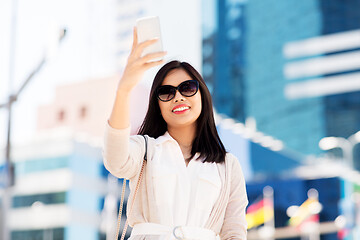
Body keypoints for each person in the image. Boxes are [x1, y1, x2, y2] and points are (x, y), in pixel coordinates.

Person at [103, 27, 248, 240]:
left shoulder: (228, 166)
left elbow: (234, 232)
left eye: (188, 87)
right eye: (166, 92)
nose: (178, 97)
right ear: (158, 105)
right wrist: (124, 89)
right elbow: (115, 160)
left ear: (203, 96)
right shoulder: (145, 150)